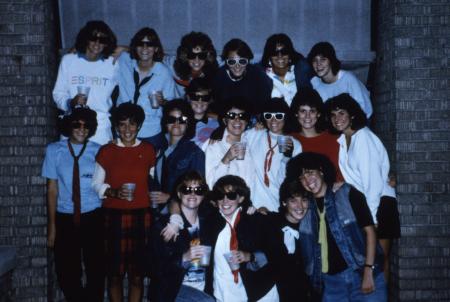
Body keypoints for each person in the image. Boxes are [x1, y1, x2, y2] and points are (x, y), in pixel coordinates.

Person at [285, 152, 387, 301]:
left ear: (321, 170)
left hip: (360, 272)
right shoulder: (305, 208)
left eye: (310, 172)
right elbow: (284, 216)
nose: (307, 180)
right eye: (302, 177)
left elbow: (370, 232)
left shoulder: (347, 193)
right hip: (331, 282)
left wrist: (368, 270)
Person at [324, 93, 401, 281]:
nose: (337, 118)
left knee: (379, 264)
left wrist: (372, 219)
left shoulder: (363, 137)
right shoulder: (343, 140)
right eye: (333, 115)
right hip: (367, 206)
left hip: (380, 205)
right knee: (371, 262)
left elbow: (372, 183)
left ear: (352, 115)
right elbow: (356, 178)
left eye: (342, 113)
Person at [92, 103, 156, 302]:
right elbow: (95, 184)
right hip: (113, 217)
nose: (127, 130)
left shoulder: (148, 150)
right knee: (114, 275)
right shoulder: (106, 151)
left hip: (142, 216)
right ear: (116, 127)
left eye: (132, 125)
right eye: (122, 125)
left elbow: (153, 182)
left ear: (139, 126)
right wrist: (113, 192)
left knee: (137, 276)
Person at [42, 107, 105, 301]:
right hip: (65, 217)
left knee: (96, 269)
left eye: (86, 126)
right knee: (67, 270)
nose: (81, 129)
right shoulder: (54, 151)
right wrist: (52, 227)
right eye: (77, 124)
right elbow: (52, 190)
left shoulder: (98, 151)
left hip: (92, 215)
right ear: (69, 126)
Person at [206, 175, 278, 301]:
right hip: (222, 293)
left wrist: (250, 256)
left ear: (241, 198)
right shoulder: (210, 222)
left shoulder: (255, 220)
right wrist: (175, 219)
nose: (225, 201)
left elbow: (277, 254)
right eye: (220, 196)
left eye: (231, 196)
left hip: (259, 293)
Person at [150, 171, 215, 302]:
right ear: (179, 194)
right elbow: (152, 266)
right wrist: (183, 258)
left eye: (198, 190)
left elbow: (231, 204)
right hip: (173, 290)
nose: (192, 194)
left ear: (203, 195)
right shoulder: (165, 225)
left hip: (202, 289)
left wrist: (256, 209)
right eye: (187, 189)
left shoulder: (210, 222)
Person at [53, 20, 119, 145]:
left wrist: (121, 49)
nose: (97, 43)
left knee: (101, 164)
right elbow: (58, 94)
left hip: (100, 127)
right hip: (73, 124)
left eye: (103, 40)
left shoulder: (112, 63)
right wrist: (71, 102)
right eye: (93, 38)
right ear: (86, 38)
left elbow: (138, 53)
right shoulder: (69, 60)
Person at [117, 27, 178, 153]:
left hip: (150, 131)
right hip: (123, 129)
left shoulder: (163, 73)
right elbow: (99, 48)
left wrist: (163, 102)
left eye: (149, 45)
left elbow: (174, 104)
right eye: (140, 44)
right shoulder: (124, 61)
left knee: (149, 171)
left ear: (156, 48)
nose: (145, 49)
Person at [246, 98, 302, 212]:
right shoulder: (255, 134)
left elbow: (290, 182)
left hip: (278, 204)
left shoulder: (295, 144)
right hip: (252, 204)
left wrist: (287, 158)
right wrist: (220, 131)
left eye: (279, 116)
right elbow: (234, 138)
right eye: (268, 115)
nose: (273, 120)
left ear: (286, 117)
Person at [262, 180, 312, 301]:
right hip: (277, 293)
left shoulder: (312, 227)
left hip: (310, 293)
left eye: (304, 200)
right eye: (293, 200)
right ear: (284, 202)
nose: (299, 206)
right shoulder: (271, 222)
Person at [150, 99, 205, 210]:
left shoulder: (195, 152)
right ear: (166, 123)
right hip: (157, 211)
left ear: (188, 123)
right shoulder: (157, 148)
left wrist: (170, 197)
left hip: (181, 211)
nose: (176, 124)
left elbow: (199, 190)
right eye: (171, 119)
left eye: (182, 120)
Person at [289, 88, 343, 182]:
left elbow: (344, 170)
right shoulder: (288, 138)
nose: (307, 116)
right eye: (303, 111)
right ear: (296, 113)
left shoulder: (334, 137)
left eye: (312, 111)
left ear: (318, 114)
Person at [307, 42, 373, 118]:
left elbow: (363, 109)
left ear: (331, 61)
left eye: (323, 59)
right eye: (315, 60)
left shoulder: (348, 79)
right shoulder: (314, 83)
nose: (318, 64)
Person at [204, 97, 254, 189]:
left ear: (247, 121)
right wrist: (226, 159)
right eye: (231, 116)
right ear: (224, 120)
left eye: (242, 116)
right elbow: (211, 184)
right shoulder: (214, 145)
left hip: (247, 200)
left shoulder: (252, 142)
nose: (237, 120)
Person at [212, 38, 272, 116]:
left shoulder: (257, 74)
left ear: (248, 60)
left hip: (253, 120)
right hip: (227, 120)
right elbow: (216, 105)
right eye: (232, 61)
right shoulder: (218, 77)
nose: (237, 66)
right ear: (226, 61)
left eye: (242, 61)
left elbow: (264, 104)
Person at [260, 33, 313, 106]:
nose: (280, 56)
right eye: (275, 53)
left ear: (290, 54)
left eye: (284, 52)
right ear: (269, 57)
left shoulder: (302, 72)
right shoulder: (261, 76)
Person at [186, 78, 219, 147]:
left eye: (205, 98)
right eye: (195, 97)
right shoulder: (180, 122)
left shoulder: (217, 123)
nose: (200, 101)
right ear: (188, 98)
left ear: (210, 100)